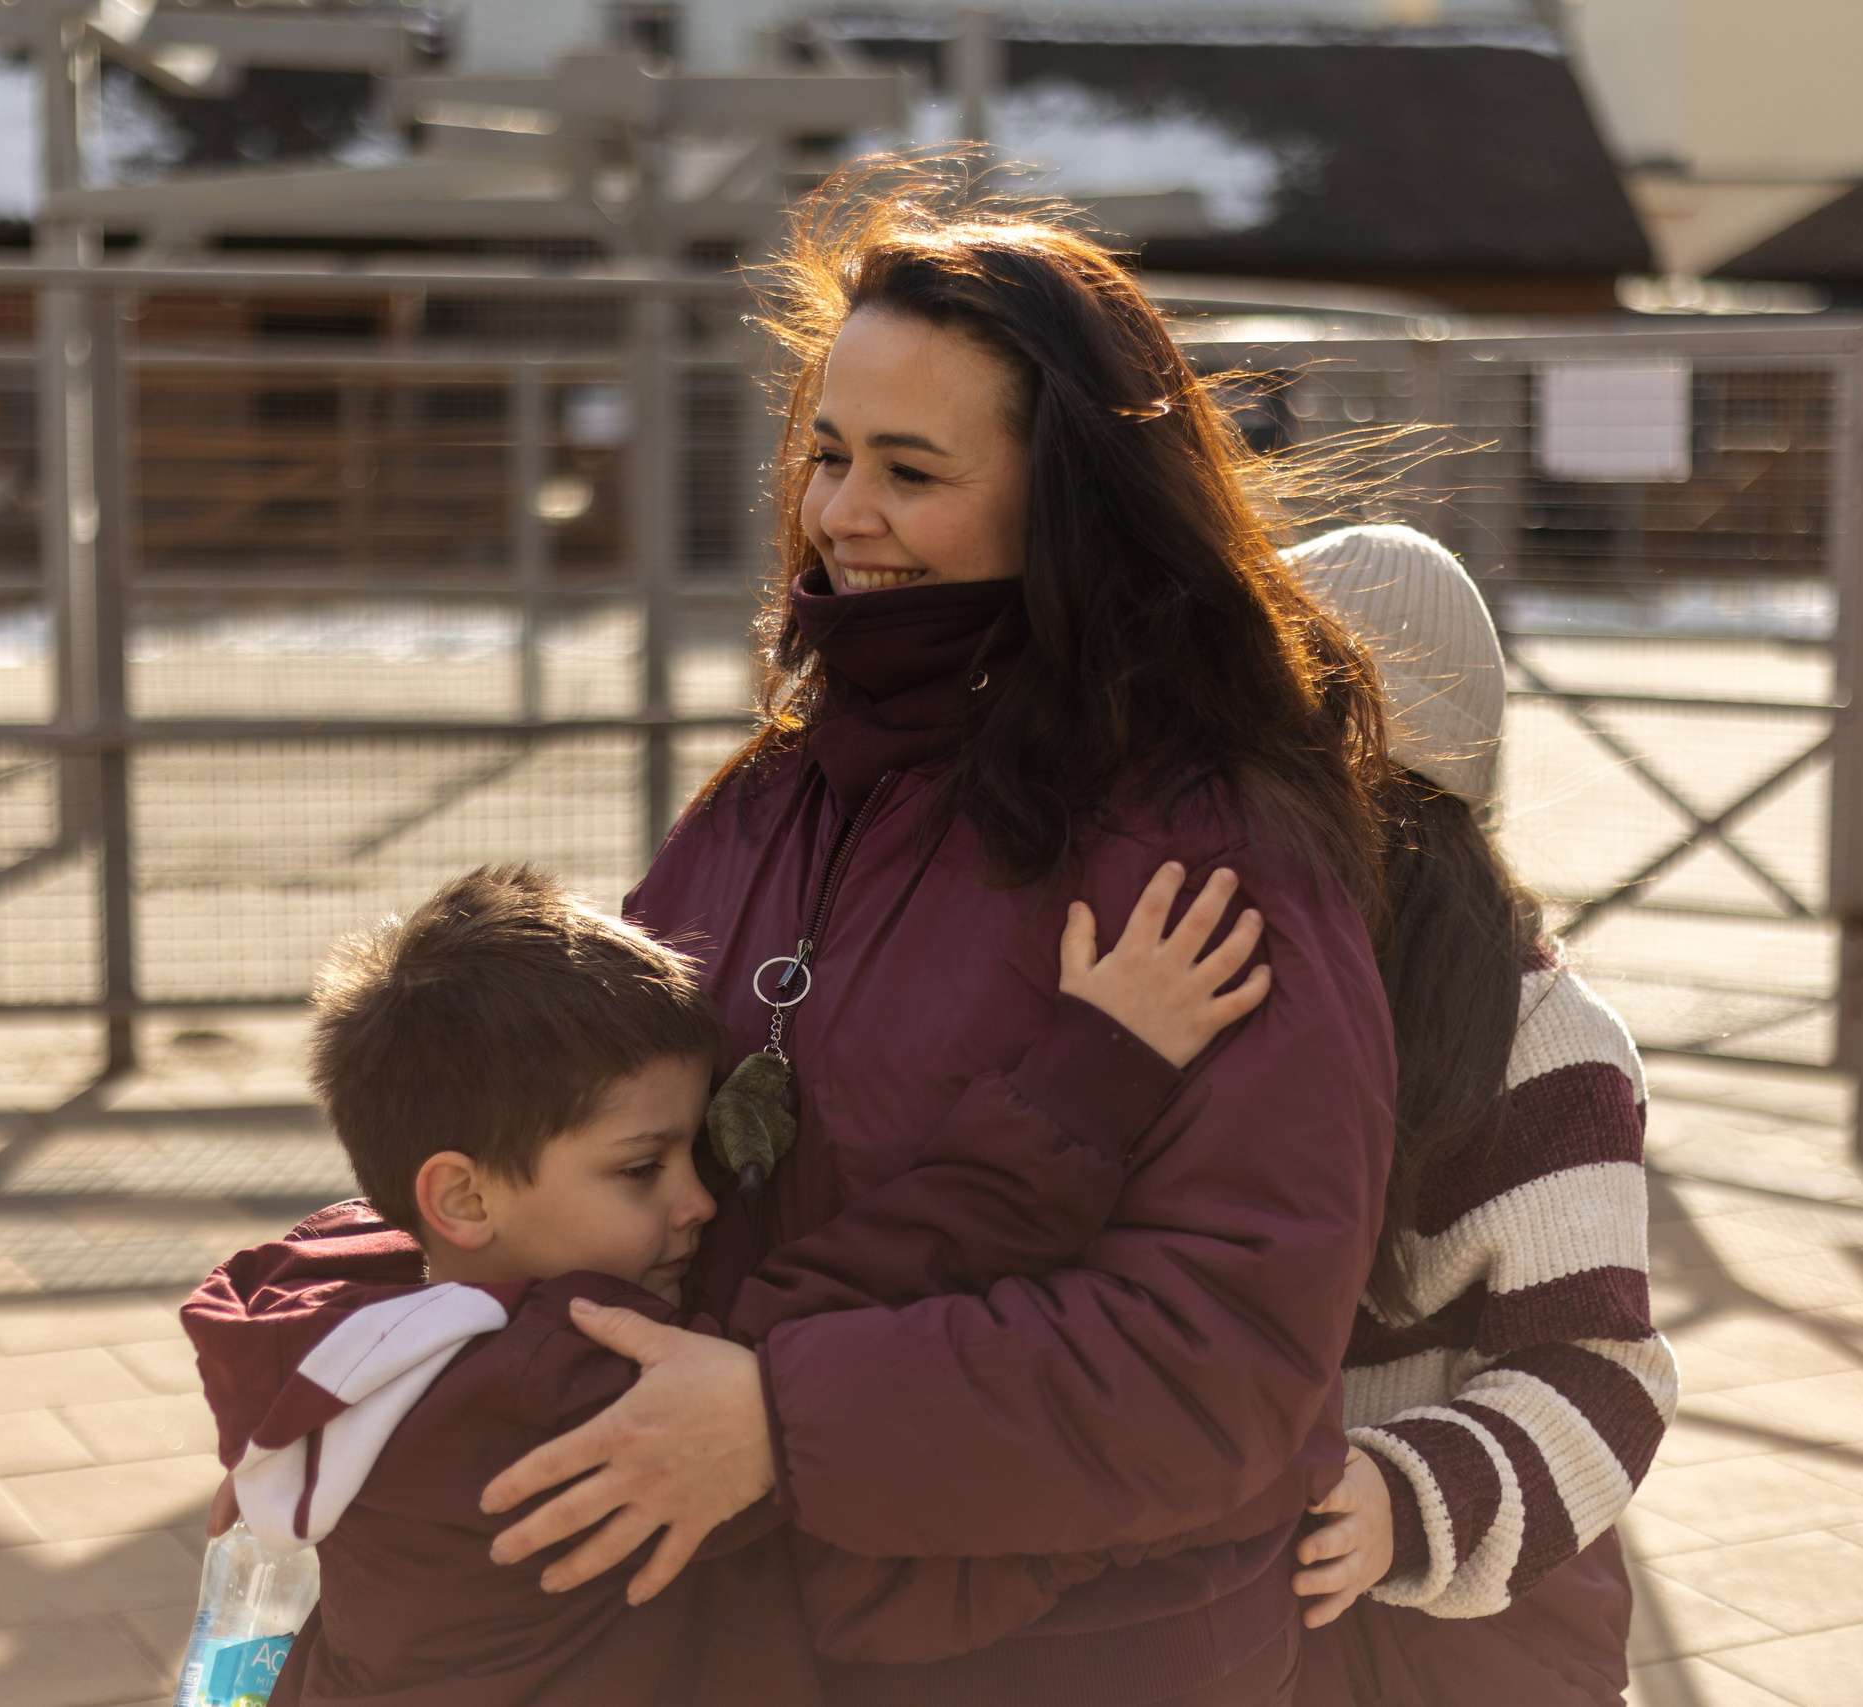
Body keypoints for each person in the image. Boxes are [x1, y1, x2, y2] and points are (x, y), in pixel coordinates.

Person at [473, 159, 1397, 1707]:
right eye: (828, 454)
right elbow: (572, 1140)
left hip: (1077, 1648)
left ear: (1072, 499)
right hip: (764, 1613)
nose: (840, 516)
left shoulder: (1202, 836)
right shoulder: (778, 785)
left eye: (912, 469)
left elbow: (1223, 1355)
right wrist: (363, 1376)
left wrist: (786, 1419)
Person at [183, 858, 1274, 1706]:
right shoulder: (555, 1393)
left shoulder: (344, 1321)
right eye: (638, 1168)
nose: (698, 1202)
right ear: (462, 1200)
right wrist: (1099, 1067)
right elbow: (865, 1280)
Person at [1282, 526, 1678, 1706]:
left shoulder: (1544, 1044)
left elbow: (1598, 1374)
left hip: (1470, 1618)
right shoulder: (1236, 979)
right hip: (1265, 1590)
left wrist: (1400, 1500)